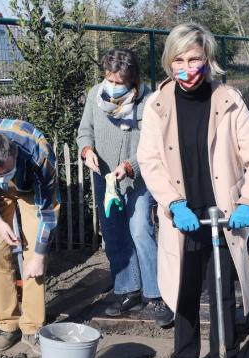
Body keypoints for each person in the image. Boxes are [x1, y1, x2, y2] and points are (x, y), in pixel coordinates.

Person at [137, 23, 249, 358]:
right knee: (184, 292)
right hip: (183, 218)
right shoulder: (158, 105)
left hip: (223, 218)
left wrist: (248, 201)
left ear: (207, 59)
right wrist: (174, 203)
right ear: (168, 62)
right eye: (178, 59)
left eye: (194, 58)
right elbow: (149, 161)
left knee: (223, 293)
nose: (186, 66)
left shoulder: (228, 101)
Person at [77, 48, 173, 327]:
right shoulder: (96, 95)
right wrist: (86, 150)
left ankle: (156, 295)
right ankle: (127, 289)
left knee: (140, 230)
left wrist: (131, 166)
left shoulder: (150, 101)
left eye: (120, 82)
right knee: (114, 234)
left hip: (138, 179)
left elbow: (155, 144)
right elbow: (85, 130)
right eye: (110, 79)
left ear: (133, 79)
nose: (114, 86)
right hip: (105, 178)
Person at [0, 119, 59, 354]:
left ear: (14, 152)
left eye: (7, 171)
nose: (4, 178)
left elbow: (48, 211)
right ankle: (8, 325)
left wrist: (39, 255)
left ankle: (32, 327)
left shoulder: (40, 156)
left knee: (34, 260)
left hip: (30, 190)